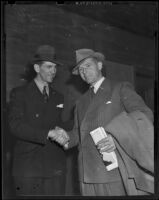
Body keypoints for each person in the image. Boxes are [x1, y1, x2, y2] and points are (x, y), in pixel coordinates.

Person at [50, 49, 154, 196]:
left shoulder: (119, 88)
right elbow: (78, 133)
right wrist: (65, 137)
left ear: (99, 65)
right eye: (80, 69)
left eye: (88, 65)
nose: (84, 71)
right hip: (86, 173)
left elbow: (143, 114)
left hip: (113, 172)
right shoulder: (80, 102)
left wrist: (117, 138)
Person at [9, 45, 67, 196]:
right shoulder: (20, 93)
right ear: (36, 67)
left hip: (54, 167)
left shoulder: (58, 96)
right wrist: (48, 133)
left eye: (55, 67)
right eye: (49, 66)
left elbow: (61, 124)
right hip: (28, 168)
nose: (53, 71)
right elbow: (15, 126)